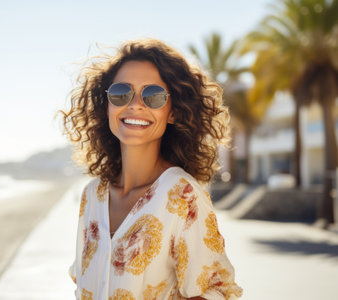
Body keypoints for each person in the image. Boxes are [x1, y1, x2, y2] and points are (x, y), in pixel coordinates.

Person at [61, 39, 242, 300]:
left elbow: (217, 292)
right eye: (121, 92)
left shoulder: (182, 195)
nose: (135, 104)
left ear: (173, 112)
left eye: (153, 95)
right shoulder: (92, 195)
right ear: (107, 105)